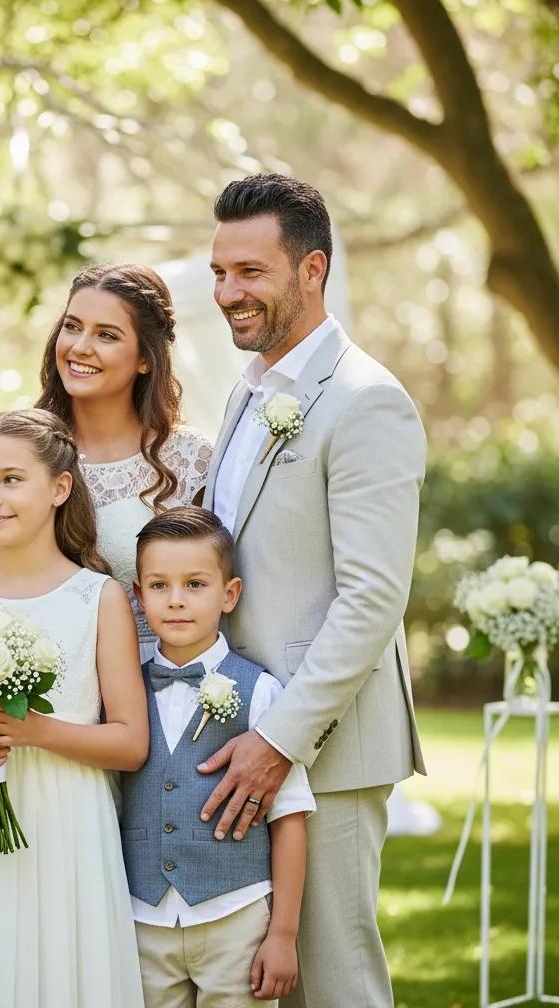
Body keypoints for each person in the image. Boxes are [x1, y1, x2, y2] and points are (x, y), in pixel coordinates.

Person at [199, 174, 426, 1008]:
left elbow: (371, 599)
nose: (229, 293)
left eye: (251, 272)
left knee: (335, 982)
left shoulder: (368, 401)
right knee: (263, 981)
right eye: (220, 272)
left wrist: (280, 739)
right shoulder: (248, 391)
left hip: (321, 747)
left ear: (312, 269)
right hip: (239, 735)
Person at [0, 408, 148, 1007]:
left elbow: (129, 741)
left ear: (59, 488)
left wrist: (35, 731)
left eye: (12, 479)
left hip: (66, 820)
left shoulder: (99, 597)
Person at [123, 507, 313, 1006]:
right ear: (138, 595)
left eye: (195, 584)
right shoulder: (122, 694)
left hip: (237, 914)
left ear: (229, 594)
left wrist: (283, 934)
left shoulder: (261, 690)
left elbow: (289, 818)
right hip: (142, 917)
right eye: (159, 585)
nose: (177, 600)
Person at [37, 264, 212, 661]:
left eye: (107, 335)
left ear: (145, 360)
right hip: (45, 679)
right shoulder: (29, 447)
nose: (80, 346)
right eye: (72, 326)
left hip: (153, 675)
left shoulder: (190, 459)